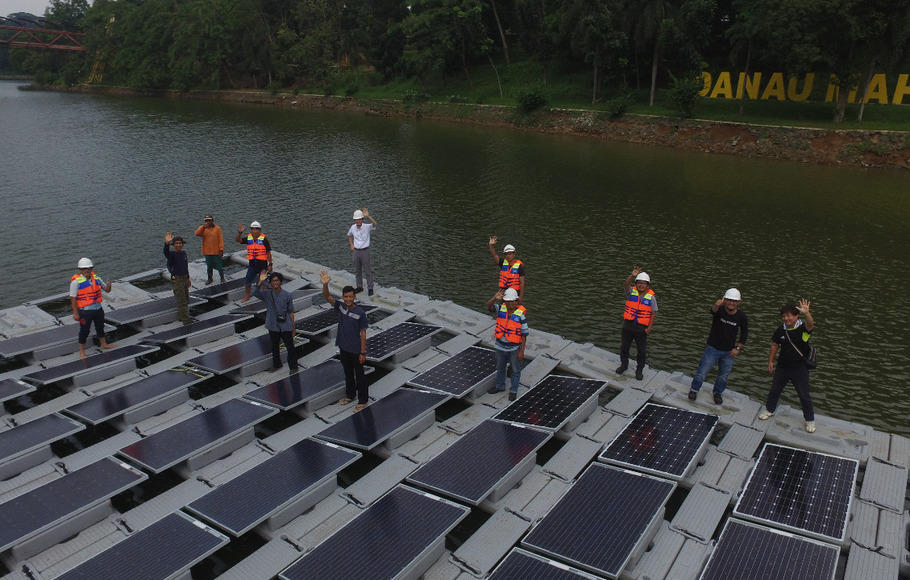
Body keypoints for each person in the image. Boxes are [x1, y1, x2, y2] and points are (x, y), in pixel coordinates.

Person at [759, 299, 817, 433]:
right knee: (774, 390)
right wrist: (770, 361)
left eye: (789, 315)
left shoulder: (802, 329)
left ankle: (810, 420)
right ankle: (769, 410)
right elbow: (775, 344)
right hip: (782, 367)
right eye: (784, 316)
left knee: (804, 395)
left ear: (796, 316)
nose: (786, 318)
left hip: (799, 368)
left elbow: (810, 324)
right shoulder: (780, 330)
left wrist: (807, 313)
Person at [320, 270, 370, 411]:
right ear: (342, 297)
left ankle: (363, 400)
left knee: (359, 375)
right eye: (345, 297)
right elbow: (326, 296)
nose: (348, 299)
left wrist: (362, 352)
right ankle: (350, 395)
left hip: (355, 350)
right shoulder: (340, 307)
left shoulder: (360, 313)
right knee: (347, 373)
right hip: (343, 347)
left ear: (354, 297)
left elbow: (364, 334)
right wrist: (325, 285)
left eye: (350, 297)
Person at [688, 288, 749, 405]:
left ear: (739, 303)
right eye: (729, 300)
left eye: (735, 301)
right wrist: (716, 304)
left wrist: (738, 348)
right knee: (702, 371)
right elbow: (712, 311)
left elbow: (744, 333)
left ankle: (717, 393)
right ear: (724, 300)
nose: (731, 303)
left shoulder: (742, 317)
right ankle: (694, 389)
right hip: (712, 348)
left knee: (723, 376)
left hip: (728, 352)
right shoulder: (719, 310)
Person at [486, 287, 528, 401]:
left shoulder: (521, 316)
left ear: (516, 301)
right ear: (505, 301)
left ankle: (513, 390)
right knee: (500, 368)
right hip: (500, 347)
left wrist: (521, 351)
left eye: (512, 301)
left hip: (514, 348)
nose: (510, 303)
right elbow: (488, 306)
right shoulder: (500, 309)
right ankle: (500, 386)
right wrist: (495, 298)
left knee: (515, 370)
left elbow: (524, 335)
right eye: (508, 301)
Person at [70, 257, 116, 359]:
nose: (87, 270)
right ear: (80, 270)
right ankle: (82, 352)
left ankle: (103, 344)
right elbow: (73, 299)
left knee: (100, 327)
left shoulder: (97, 279)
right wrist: (76, 313)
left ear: (92, 269)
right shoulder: (75, 283)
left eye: (89, 268)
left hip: (98, 309)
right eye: (84, 268)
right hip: (85, 312)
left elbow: (107, 290)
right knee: (84, 331)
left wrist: (109, 285)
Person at [616, 267, 657, 380]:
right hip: (628, 325)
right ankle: (624, 365)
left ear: (647, 285)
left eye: (643, 284)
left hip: (641, 327)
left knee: (641, 350)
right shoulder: (631, 293)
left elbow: (653, 313)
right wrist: (632, 275)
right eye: (639, 283)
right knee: (624, 346)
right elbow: (626, 285)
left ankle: (639, 370)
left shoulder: (651, 298)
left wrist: (649, 328)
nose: (641, 285)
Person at [253, 270, 298, 372]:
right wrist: (260, 281)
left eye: (277, 280)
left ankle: (293, 366)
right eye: (273, 281)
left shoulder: (287, 295)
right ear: (270, 283)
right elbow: (254, 292)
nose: (275, 283)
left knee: (290, 347)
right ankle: (277, 364)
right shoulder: (267, 294)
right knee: (274, 346)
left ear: (281, 282)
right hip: (273, 324)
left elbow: (291, 312)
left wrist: (293, 327)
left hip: (285, 325)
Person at [236, 220, 272, 303]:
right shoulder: (249, 239)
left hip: (262, 265)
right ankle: (247, 296)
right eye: (253, 229)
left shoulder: (264, 240)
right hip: (252, 265)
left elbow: (268, 252)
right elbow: (238, 240)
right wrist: (239, 233)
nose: (255, 231)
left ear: (260, 230)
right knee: (248, 281)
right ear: (251, 230)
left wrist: (270, 264)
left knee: (265, 282)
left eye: (257, 229)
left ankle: (265, 296)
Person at [163, 233, 193, 324]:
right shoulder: (171, 255)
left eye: (180, 243)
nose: (178, 245)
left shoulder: (184, 253)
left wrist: (188, 278)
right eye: (176, 243)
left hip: (184, 278)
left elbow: (185, 266)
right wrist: (167, 244)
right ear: (174, 245)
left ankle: (182, 316)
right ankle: (185, 320)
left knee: (186, 299)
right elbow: (166, 252)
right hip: (177, 280)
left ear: (182, 244)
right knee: (182, 301)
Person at [347, 208, 377, 296]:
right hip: (356, 251)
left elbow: (375, 224)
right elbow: (349, 235)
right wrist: (351, 245)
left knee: (367, 270)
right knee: (357, 270)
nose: (358, 221)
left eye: (359, 219)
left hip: (365, 251)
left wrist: (368, 216)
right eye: (356, 220)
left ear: (362, 220)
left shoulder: (367, 227)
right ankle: (359, 286)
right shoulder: (353, 227)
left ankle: (370, 287)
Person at [488, 236, 525, 304]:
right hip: (504, 292)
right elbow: (494, 255)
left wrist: (521, 297)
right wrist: (491, 245)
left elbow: (522, 283)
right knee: (503, 309)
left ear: (514, 254)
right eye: (506, 254)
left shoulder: (519, 267)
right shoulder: (503, 263)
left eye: (510, 254)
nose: (508, 256)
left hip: (515, 292)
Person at [194, 213, 225, 285]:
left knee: (219, 266)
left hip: (216, 251)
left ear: (212, 220)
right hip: (207, 252)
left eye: (209, 220)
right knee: (209, 266)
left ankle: (222, 278)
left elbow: (221, 239)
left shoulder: (217, 228)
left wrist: (221, 249)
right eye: (206, 221)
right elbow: (196, 233)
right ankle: (210, 278)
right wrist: (203, 228)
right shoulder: (203, 228)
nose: (208, 222)